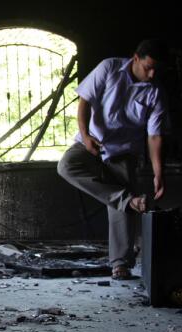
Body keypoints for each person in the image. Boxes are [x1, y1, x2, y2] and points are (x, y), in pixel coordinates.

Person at [57, 39, 168, 280]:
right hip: (93, 142)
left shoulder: (155, 91)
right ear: (135, 58)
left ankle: (121, 264)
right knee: (66, 166)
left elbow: (154, 135)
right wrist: (85, 136)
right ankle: (128, 200)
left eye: (156, 69)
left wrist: (159, 172)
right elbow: (84, 100)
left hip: (123, 152)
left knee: (122, 206)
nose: (152, 73)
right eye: (148, 67)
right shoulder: (108, 68)